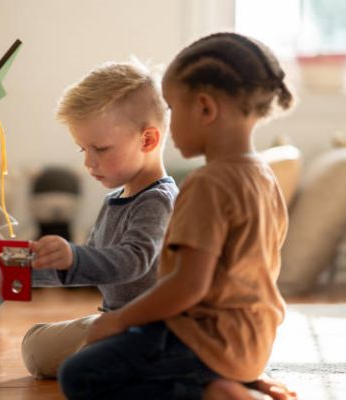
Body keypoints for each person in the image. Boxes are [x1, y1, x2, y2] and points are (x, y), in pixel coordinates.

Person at [57, 32, 298, 400]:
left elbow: (188, 287)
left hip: (207, 341)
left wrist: (119, 320)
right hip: (256, 338)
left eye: (171, 106)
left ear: (204, 109)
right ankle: (237, 381)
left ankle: (213, 392)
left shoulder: (208, 184)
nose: (167, 120)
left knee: (80, 374)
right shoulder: (264, 176)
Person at [21, 61, 179, 378]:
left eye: (100, 149)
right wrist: (24, 274)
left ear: (147, 140)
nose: (89, 162)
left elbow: (133, 261)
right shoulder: (116, 200)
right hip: (118, 321)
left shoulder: (157, 200)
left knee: (38, 350)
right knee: (35, 340)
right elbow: (92, 267)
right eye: (83, 148)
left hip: (150, 327)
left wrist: (74, 255)